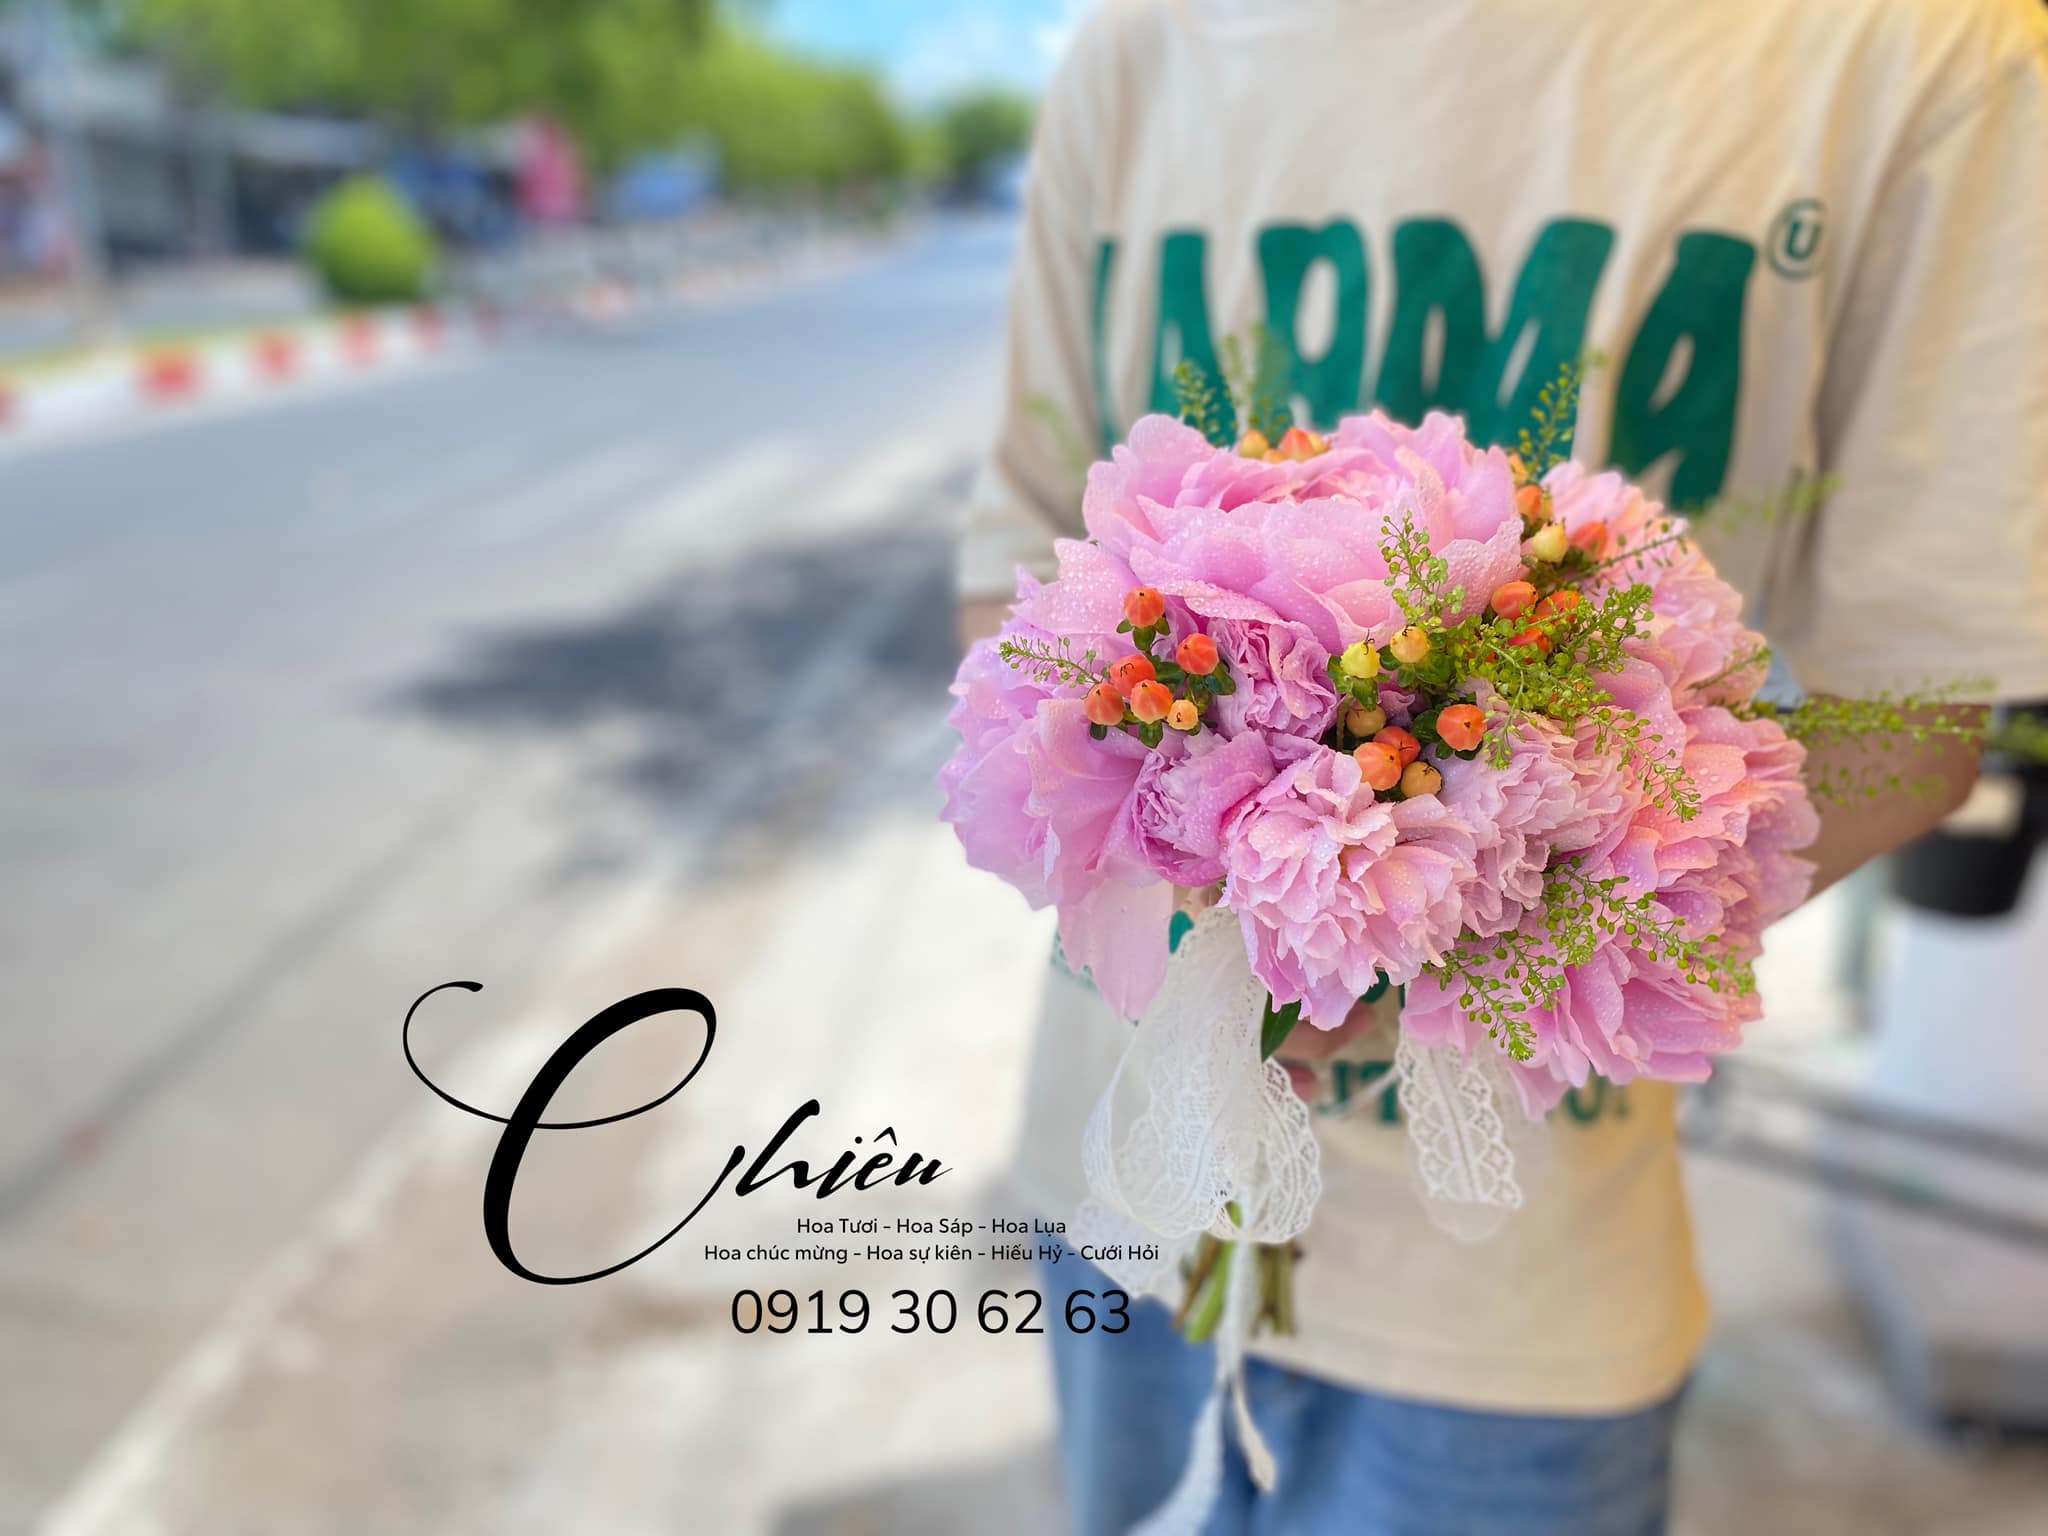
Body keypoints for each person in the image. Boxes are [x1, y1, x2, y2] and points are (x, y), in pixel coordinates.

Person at [954, 1, 2048, 1532]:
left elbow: (1915, 722)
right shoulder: (1135, 51)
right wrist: (1237, 898)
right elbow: (1014, 581)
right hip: (1125, 1182)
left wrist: (1423, 934)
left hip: (1513, 1297)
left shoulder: (1915, 51)